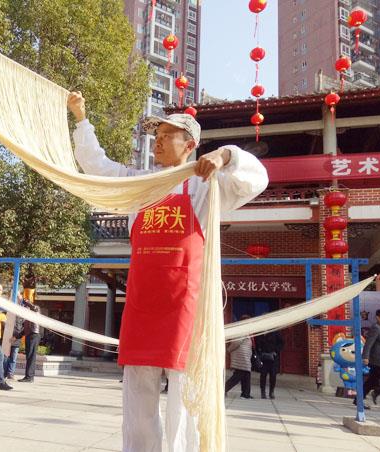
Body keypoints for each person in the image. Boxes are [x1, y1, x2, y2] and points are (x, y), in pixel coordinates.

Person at [67, 92, 268, 451]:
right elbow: (97, 166)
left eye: (166, 135)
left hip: (184, 303)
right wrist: (81, 119)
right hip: (142, 300)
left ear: (189, 145)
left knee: (183, 394)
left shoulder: (205, 184)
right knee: (137, 392)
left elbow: (257, 179)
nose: (157, 142)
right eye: (155, 135)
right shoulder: (140, 183)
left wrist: (224, 156)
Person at [225, 315, 253, 399]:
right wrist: (228, 350)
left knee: (246, 374)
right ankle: (223, 389)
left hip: (244, 356)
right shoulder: (241, 330)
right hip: (241, 356)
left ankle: (245, 393)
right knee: (238, 375)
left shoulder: (246, 330)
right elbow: (236, 342)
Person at [255, 330, 284, 399]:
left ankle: (271, 392)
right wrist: (259, 352)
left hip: (273, 358)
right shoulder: (260, 333)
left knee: (273, 375)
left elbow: (281, 343)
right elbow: (257, 343)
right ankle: (263, 392)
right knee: (263, 375)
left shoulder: (275, 332)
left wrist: (276, 351)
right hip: (263, 357)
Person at [19, 299, 40, 383]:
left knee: (31, 357)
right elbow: (24, 330)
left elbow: (35, 308)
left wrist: (25, 301)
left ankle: (29, 377)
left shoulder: (35, 310)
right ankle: (28, 376)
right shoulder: (27, 318)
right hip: (29, 336)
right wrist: (16, 336)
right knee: (29, 356)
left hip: (34, 335)